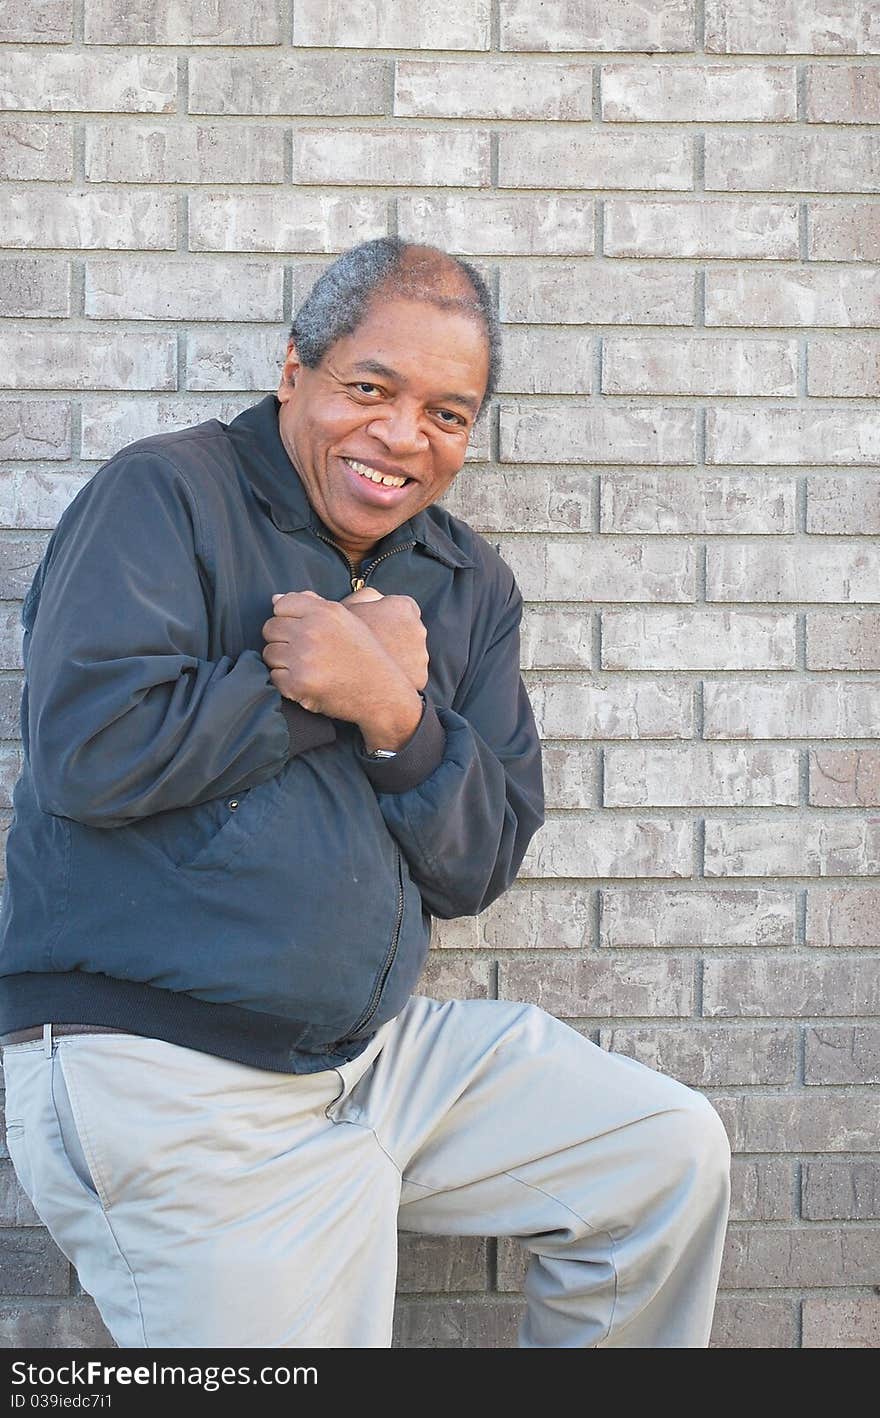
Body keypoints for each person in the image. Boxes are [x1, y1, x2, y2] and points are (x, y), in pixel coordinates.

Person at [0, 237, 730, 1348]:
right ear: (293, 367)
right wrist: (317, 682)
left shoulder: (466, 578)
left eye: (448, 413)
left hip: (371, 1058)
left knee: (661, 1151)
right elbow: (91, 755)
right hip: (164, 1070)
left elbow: (478, 860)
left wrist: (392, 710)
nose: (402, 438)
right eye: (370, 389)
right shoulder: (166, 495)